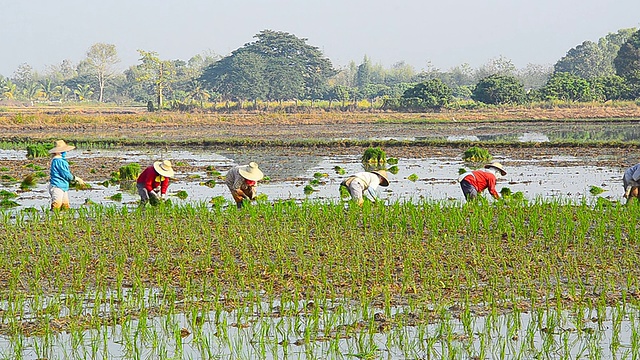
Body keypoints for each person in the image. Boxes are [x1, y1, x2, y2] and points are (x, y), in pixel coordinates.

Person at [48, 140, 85, 210]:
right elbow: (65, 174)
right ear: (58, 152)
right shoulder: (59, 161)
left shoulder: (59, 160)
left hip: (63, 186)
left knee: (65, 206)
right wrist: (75, 179)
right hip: (57, 186)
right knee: (56, 205)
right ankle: (53, 219)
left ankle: (63, 220)